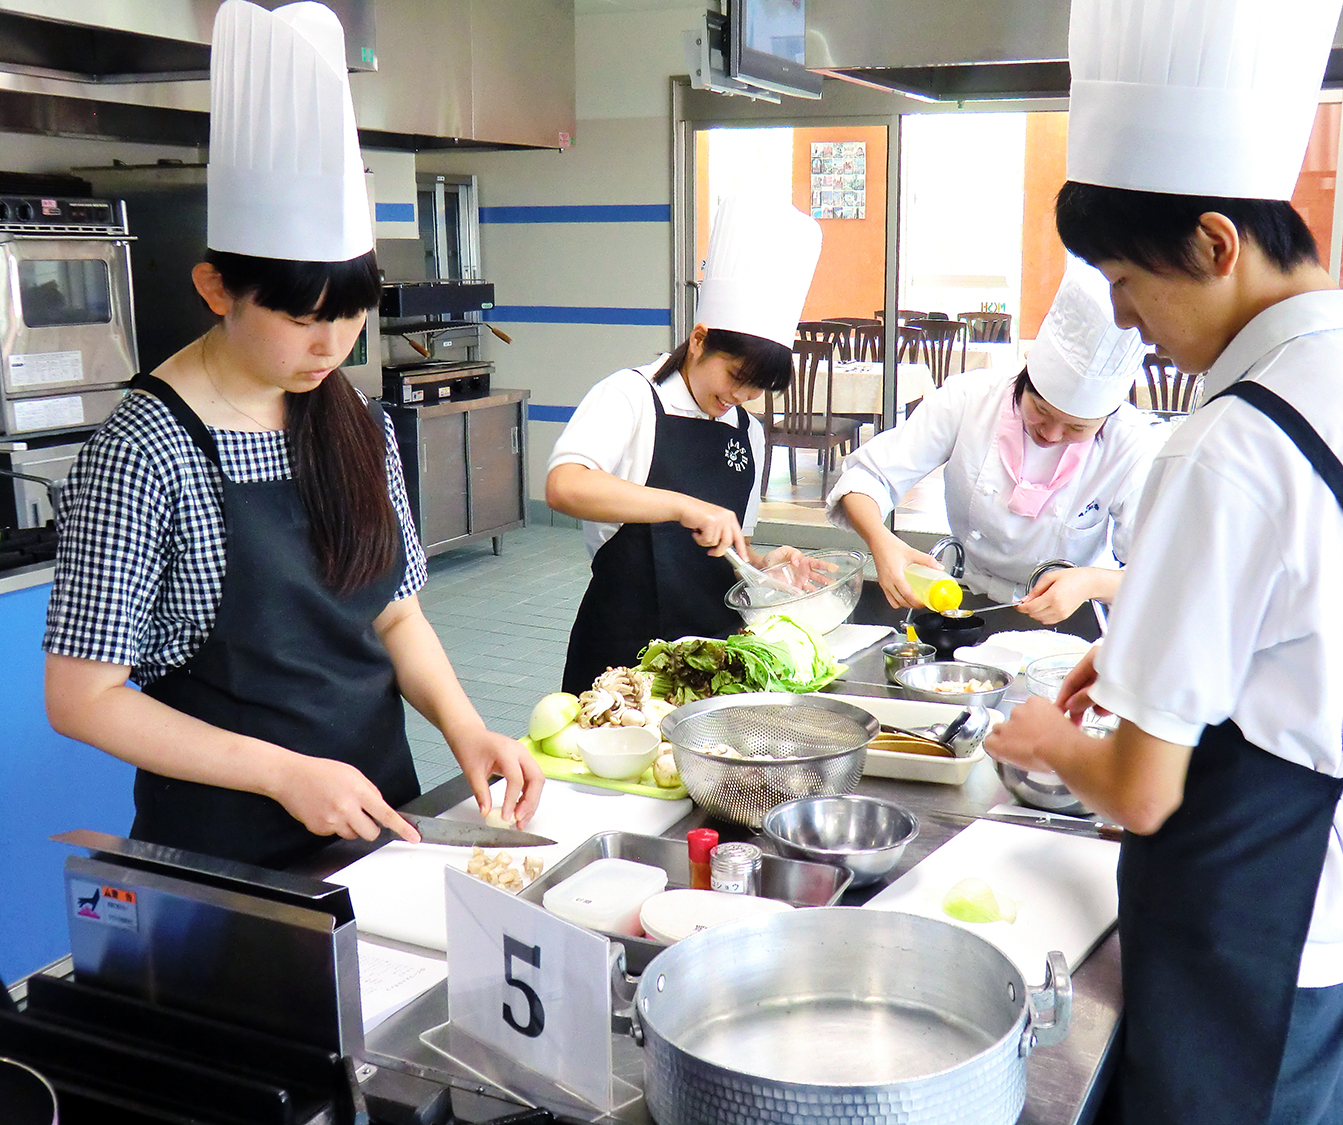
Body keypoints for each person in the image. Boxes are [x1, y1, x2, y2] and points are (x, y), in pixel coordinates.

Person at [986, 0, 1343, 1122]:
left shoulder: (1226, 443)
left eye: (1127, 282)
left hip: (1242, 923)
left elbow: (1142, 793)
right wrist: (1155, 677)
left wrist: (1048, 739)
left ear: (1217, 244)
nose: (1126, 320)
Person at [41, 1, 542, 870]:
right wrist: (281, 773)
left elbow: (395, 611)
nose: (332, 347)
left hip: (381, 809)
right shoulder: (144, 449)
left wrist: (467, 726)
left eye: (351, 317)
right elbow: (81, 697)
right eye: (304, 318)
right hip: (226, 851)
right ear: (214, 287)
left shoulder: (353, 419)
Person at [548, 193, 822, 694]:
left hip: (713, 654)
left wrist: (762, 564)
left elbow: (725, 545)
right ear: (699, 339)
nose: (739, 397)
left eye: (756, 389)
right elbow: (564, 485)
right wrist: (681, 506)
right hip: (621, 654)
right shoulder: (630, 395)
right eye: (736, 376)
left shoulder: (748, 432)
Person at [826, 258, 1165, 624]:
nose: (1051, 435)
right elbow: (866, 479)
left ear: (1106, 418)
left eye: (1076, 428)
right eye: (1040, 410)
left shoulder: (1132, 445)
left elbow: (1158, 575)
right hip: (964, 600)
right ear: (1024, 379)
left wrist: (1091, 581)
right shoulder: (970, 398)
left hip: (1070, 613)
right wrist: (882, 541)